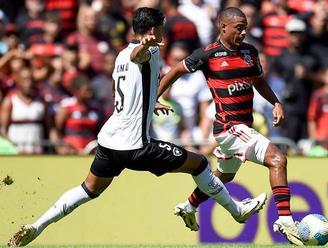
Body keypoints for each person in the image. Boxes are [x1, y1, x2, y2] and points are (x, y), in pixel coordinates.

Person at [7, 7, 266, 247]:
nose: (166, 32)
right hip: (135, 146)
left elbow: (123, 85)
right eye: (162, 27)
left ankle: (37, 225)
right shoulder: (148, 50)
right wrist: (145, 47)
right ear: (152, 31)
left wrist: (148, 102)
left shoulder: (119, 55)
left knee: (89, 189)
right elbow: (138, 56)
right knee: (199, 164)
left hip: (109, 141)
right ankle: (236, 210)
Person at [157, 7, 304, 245]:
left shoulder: (249, 52)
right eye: (239, 28)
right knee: (278, 159)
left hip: (241, 126)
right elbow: (175, 70)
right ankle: (285, 220)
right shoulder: (207, 55)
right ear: (222, 27)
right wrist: (157, 96)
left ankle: (188, 206)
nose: (244, 32)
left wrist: (275, 102)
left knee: (224, 176)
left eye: (245, 27)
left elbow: (259, 81)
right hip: (229, 127)